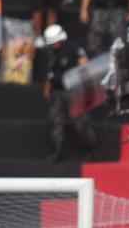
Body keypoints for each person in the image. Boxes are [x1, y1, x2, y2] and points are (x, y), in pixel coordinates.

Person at [38, 23, 95, 161]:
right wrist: (47, 88)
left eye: (55, 43)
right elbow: (49, 71)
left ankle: (90, 149)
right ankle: (57, 151)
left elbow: (85, 66)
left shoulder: (73, 48)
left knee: (80, 122)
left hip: (74, 91)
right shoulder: (49, 52)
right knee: (55, 121)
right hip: (57, 91)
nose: (53, 45)